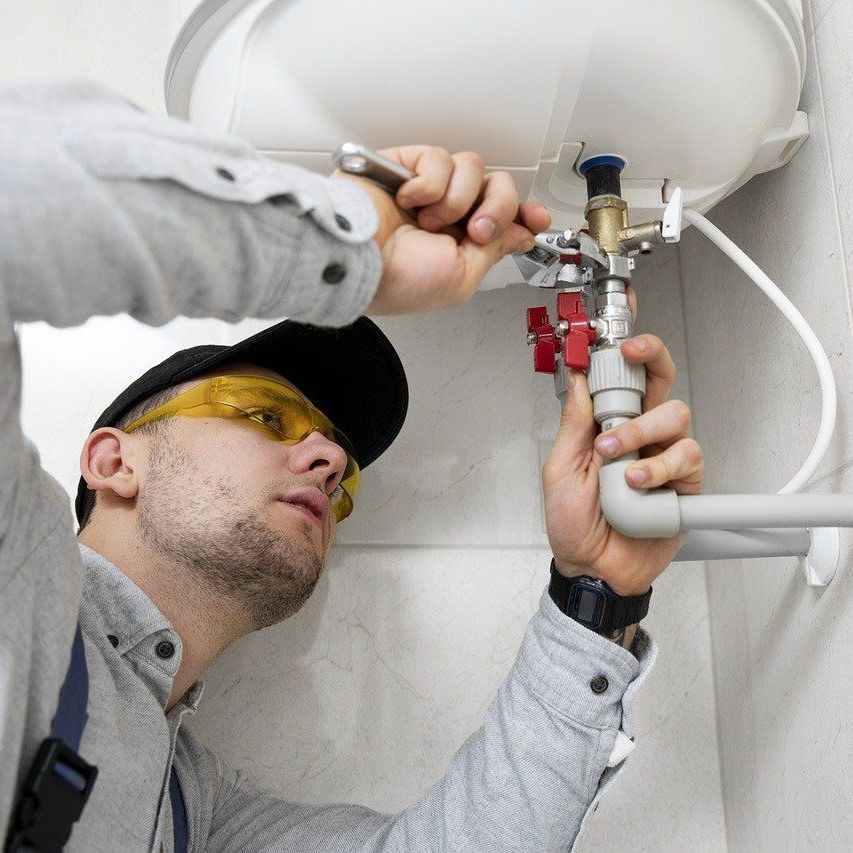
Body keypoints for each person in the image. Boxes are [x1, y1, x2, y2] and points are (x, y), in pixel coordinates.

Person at [0, 80, 703, 851]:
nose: (332, 460)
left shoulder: (187, 812)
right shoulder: (15, 577)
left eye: (345, 476)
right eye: (263, 415)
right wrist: (334, 240)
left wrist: (596, 591)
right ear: (113, 461)